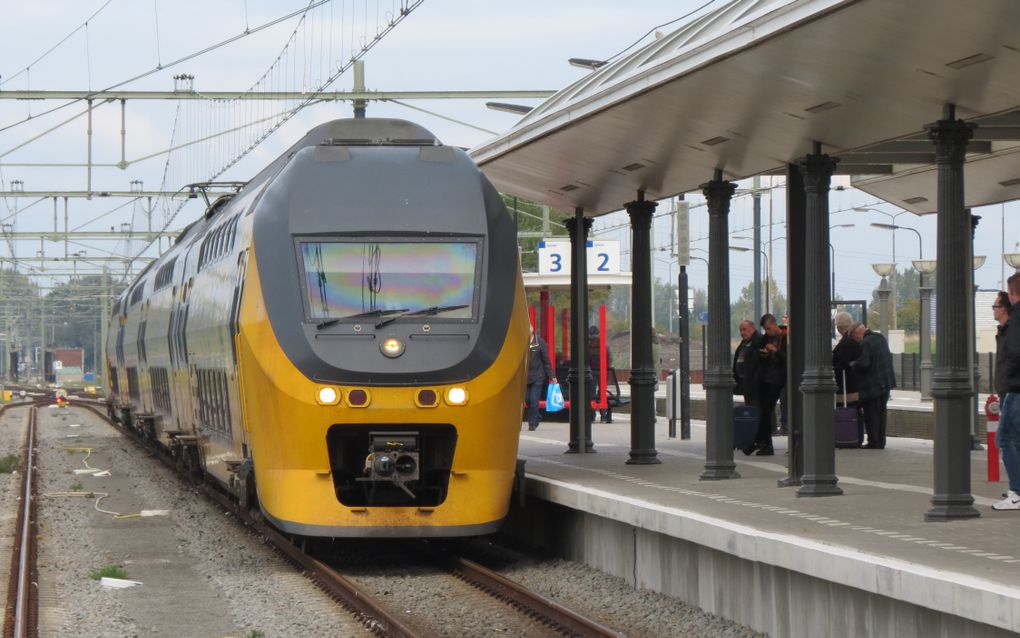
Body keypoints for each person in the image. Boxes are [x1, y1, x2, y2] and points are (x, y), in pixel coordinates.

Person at [849, 321, 896, 449]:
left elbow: (864, 363)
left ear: (857, 332)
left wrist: (853, 364)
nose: (856, 340)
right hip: (885, 384)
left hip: (873, 386)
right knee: (881, 414)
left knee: (872, 415)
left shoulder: (866, 343)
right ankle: (881, 441)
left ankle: (874, 442)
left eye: (854, 337)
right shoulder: (880, 338)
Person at [996, 275, 1020, 510]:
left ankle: (1017, 491)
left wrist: (1009, 382)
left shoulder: (1015, 321)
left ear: (1012, 294)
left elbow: (1013, 354)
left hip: (1015, 388)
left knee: (1004, 437)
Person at [747, 313, 786, 456]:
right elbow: (756, 353)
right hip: (765, 379)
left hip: (777, 380)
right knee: (764, 411)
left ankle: (760, 441)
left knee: (766, 410)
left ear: (775, 324)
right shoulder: (765, 339)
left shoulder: (785, 337)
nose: (767, 332)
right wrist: (762, 354)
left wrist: (777, 351)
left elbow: (789, 359)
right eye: (765, 329)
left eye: (769, 329)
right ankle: (763, 442)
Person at [525, 324, 556, 431]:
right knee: (527, 400)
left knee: (534, 400)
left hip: (538, 376)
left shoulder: (539, 342)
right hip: (526, 377)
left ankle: (532, 422)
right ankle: (537, 416)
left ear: (531, 331)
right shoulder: (522, 343)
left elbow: (546, 360)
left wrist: (552, 375)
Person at [832, 311, 862, 403]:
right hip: (857, 386)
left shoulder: (846, 343)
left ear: (838, 327)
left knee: (848, 415)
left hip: (847, 390)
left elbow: (842, 365)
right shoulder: (856, 340)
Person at [732, 319, 761, 406]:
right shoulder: (744, 342)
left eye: (744, 329)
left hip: (756, 386)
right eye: (740, 330)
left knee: (757, 409)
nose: (742, 332)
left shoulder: (759, 341)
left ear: (752, 329)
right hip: (746, 384)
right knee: (750, 408)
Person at [588, 326, 613, 423]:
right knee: (602, 393)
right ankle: (603, 415)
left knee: (591, 393)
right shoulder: (604, 344)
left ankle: (592, 415)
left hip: (591, 372)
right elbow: (610, 357)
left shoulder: (588, 345)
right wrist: (607, 368)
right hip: (602, 372)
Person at [994, 291, 1011, 399]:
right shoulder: (1002, 331)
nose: (993, 310)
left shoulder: (1009, 331)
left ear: (1003, 309)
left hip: (1009, 390)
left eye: (995, 306)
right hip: (1004, 389)